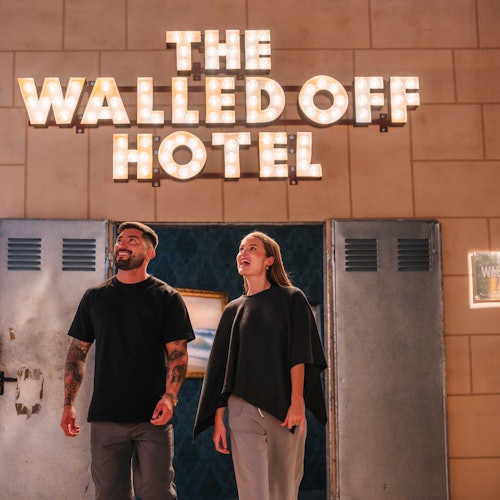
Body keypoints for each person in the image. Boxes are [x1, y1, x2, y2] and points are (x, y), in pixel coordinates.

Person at [60, 221, 194, 500]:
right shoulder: (95, 297)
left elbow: (178, 354)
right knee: (110, 494)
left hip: (152, 418)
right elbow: (77, 353)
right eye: (120, 239)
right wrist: (68, 404)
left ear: (150, 253)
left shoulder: (167, 298)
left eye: (132, 240)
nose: (121, 243)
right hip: (106, 416)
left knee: (156, 493)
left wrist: (170, 397)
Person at [194, 231, 327, 500]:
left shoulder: (292, 299)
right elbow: (220, 366)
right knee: (252, 493)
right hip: (242, 409)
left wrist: (297, 400)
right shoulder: (233, 310)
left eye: (252, 249)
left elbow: (300, 352)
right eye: (241, 249)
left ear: (269, 260)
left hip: (284, 406)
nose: (243, 253)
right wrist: (219, 418)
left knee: (283, 491)